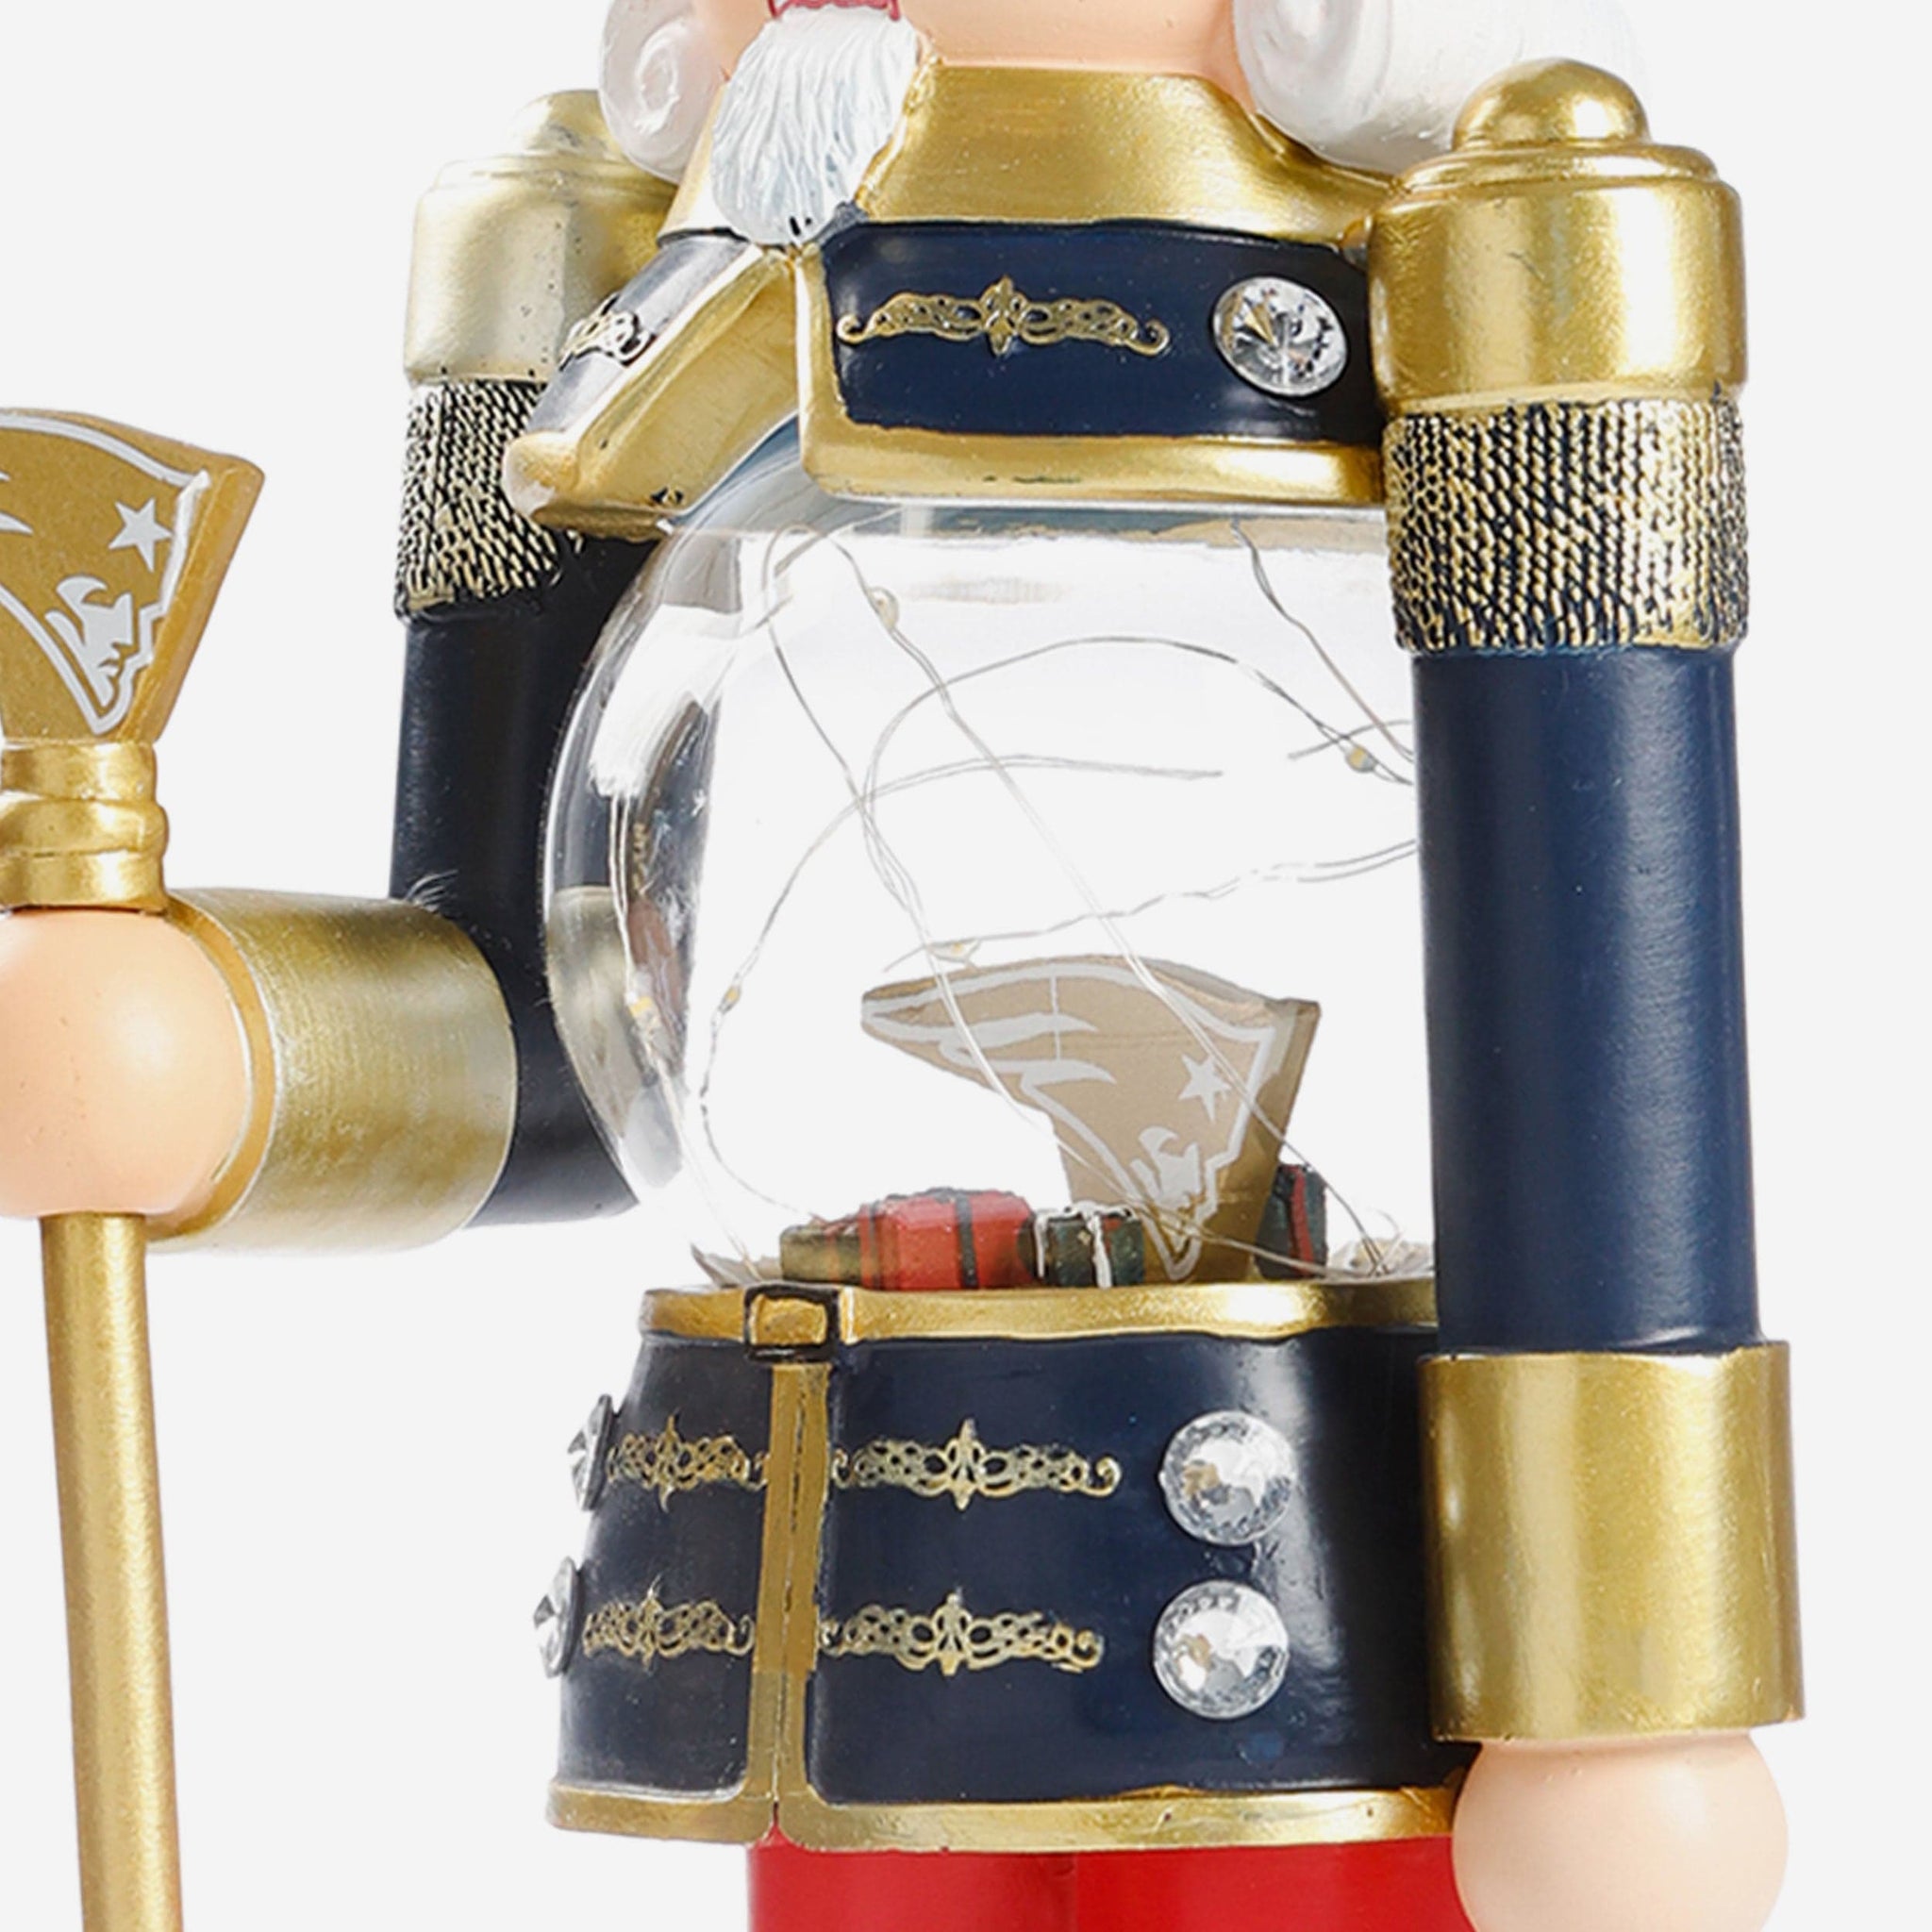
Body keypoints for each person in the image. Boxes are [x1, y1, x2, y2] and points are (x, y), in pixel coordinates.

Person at [0, 5, 1798, 1929]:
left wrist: (1626, 1696)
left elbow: (1601, 1063)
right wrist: (204, 1051)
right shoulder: (640, 304)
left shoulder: (1501, 312)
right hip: (814, 1584)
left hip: (1306, 1609)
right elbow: (541, 1043)